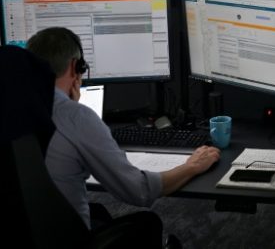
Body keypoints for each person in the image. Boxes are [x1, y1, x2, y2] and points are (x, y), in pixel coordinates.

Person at [25, 27, 221, 230]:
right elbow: (138, 191)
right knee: (147, 223)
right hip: (62, 239)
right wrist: (192, 166)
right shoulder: (74, 117)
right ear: (75, 67)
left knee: (99, 212)